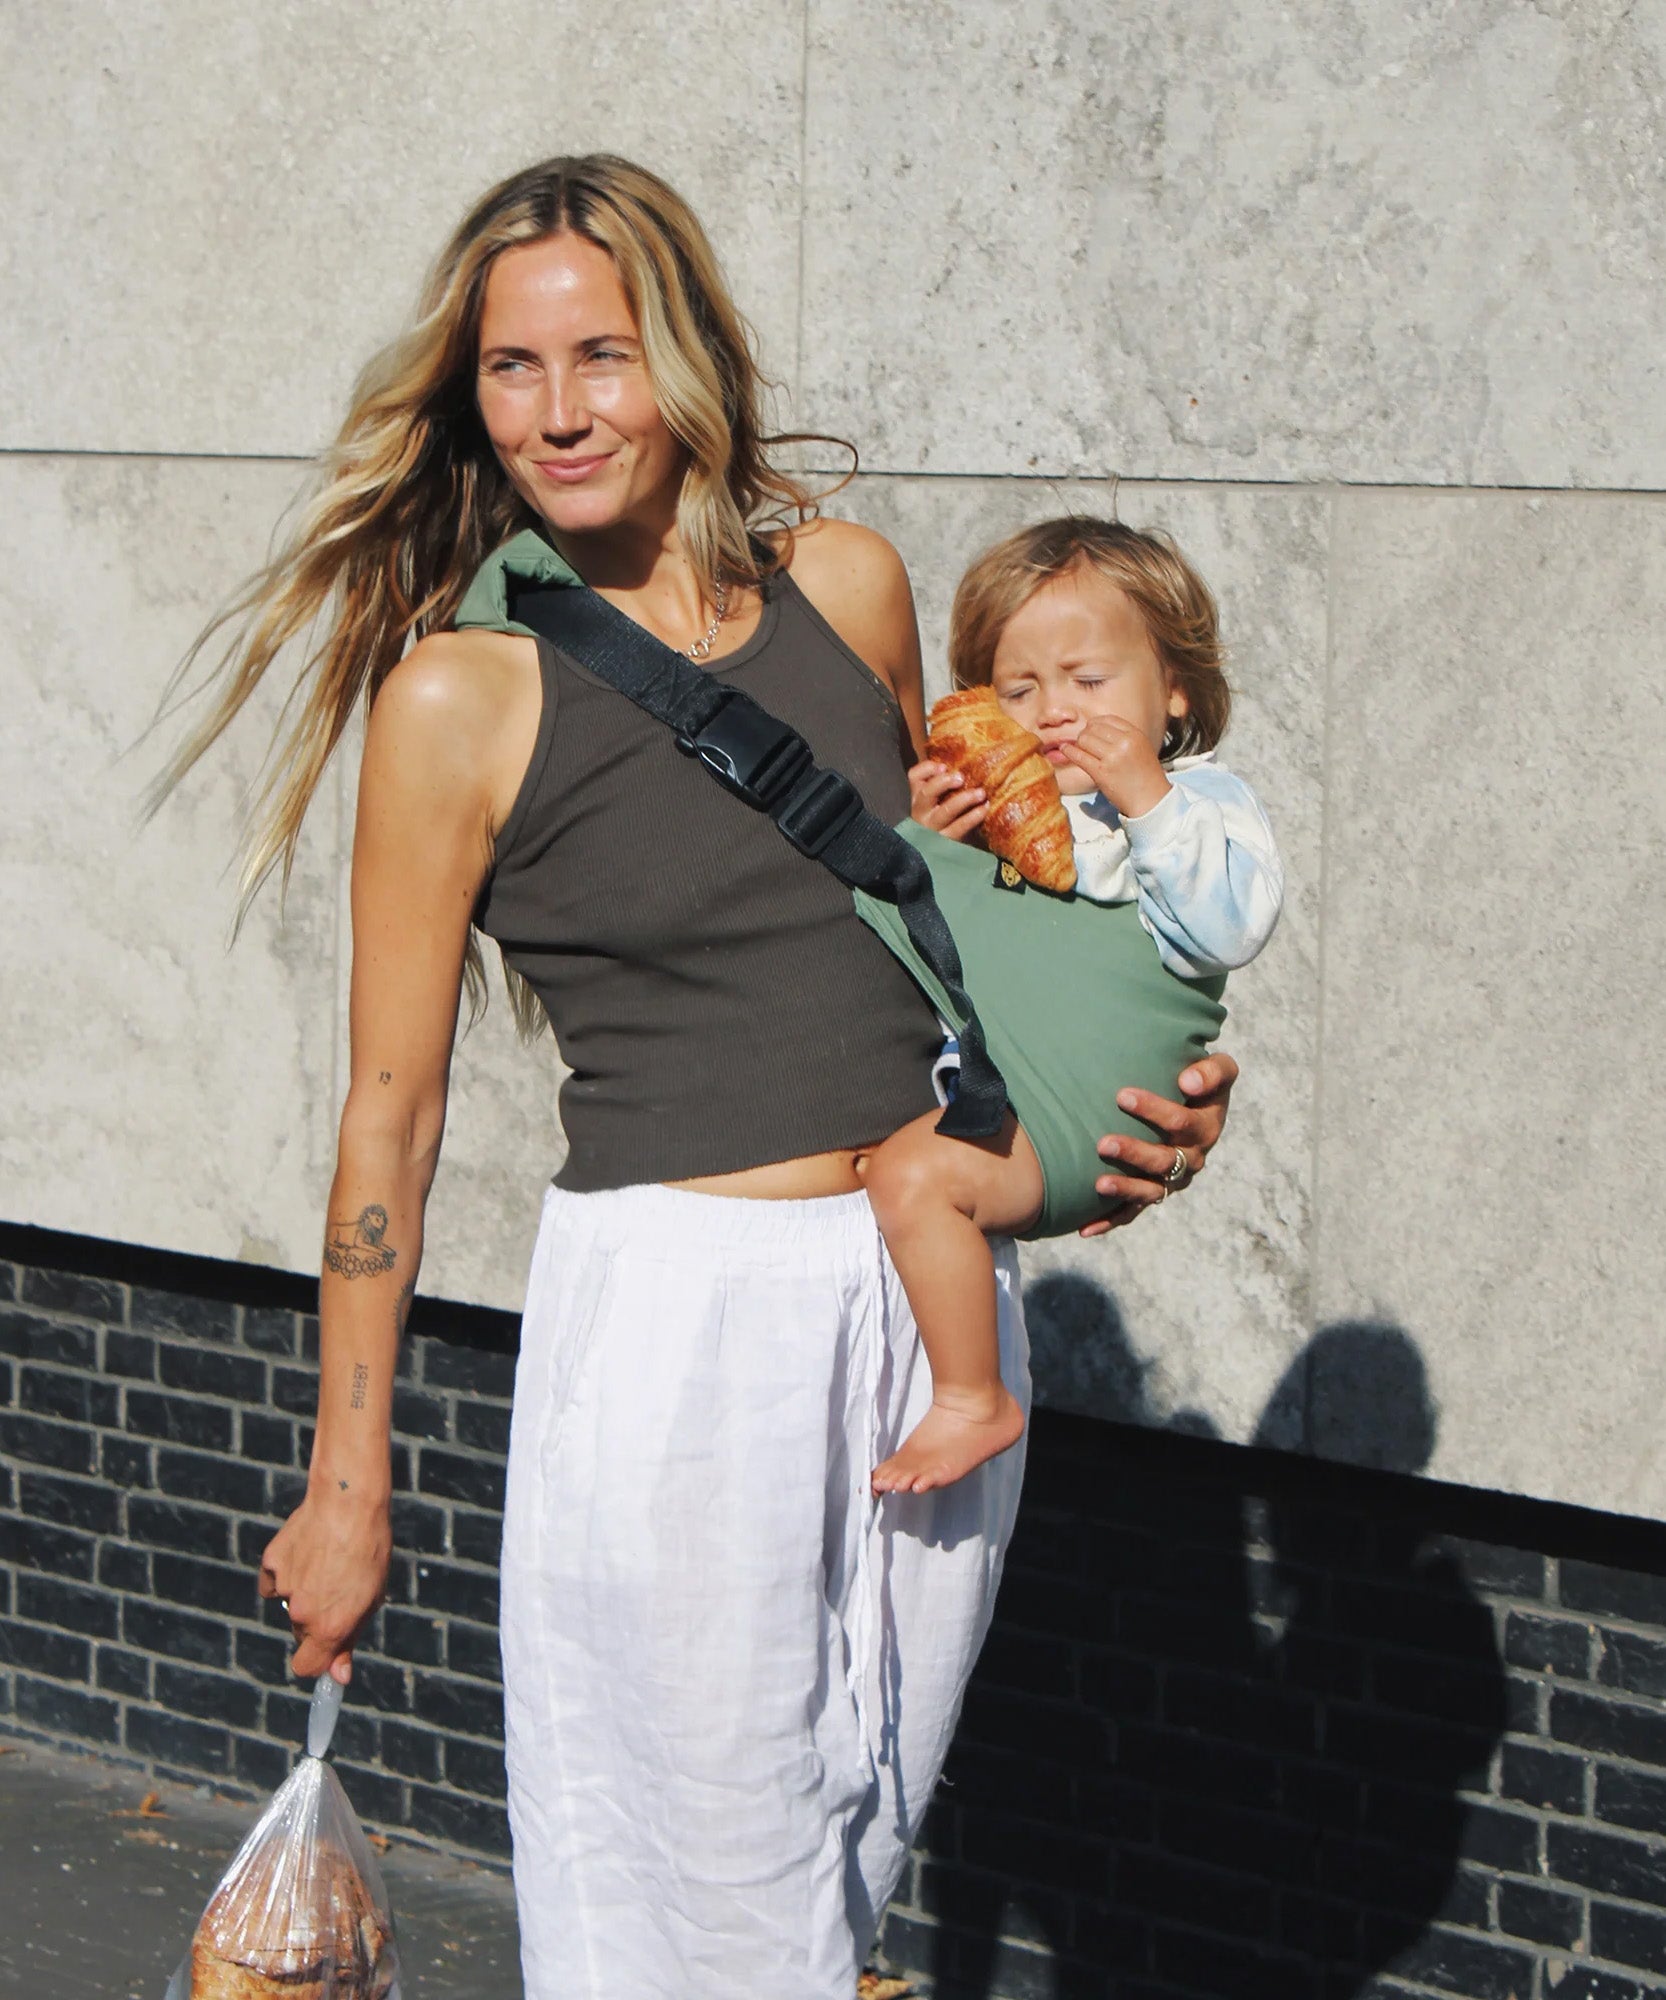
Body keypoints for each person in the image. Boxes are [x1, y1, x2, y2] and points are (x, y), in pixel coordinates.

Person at [158, 154, 1240, 1998]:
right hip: (683, 1327)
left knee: (843, 1858)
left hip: (928, 1305)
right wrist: (349, 1482)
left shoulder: (850, 587)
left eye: (602, 354)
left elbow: (974, 923)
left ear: (686, 355)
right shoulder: (459, 698)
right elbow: (388, 1119)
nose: (560, 411)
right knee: (703, 1909)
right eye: (513, 368)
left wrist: (1134, 1114)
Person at [858, 518, 1283, 1496]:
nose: (1054, 712)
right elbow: (927, 951)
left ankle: (973, 1397)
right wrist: (928, 844)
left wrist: (1148, 801)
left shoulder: (1204, 803)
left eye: (1089, 681)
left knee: (914, 1176)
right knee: (911, 1172)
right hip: (1012, 1098)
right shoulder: (1011, 816)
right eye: (1018, 690)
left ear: (1173, 688)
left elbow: (1224, 929)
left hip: (1088, 1118)